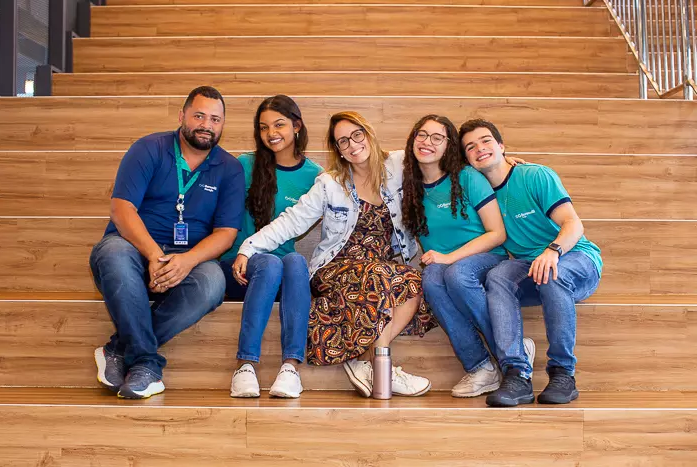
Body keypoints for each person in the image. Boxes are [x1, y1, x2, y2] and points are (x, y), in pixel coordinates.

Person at [234, 111, 436, 398]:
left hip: (381, 266)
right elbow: (291, 221)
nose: (353, 145)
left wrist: (494, 165)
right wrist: (249, 247)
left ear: (369, 134)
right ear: (338, 150)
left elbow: (436, 160)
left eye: (357, 135)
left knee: (413, 281)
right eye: (343, 141)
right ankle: (381, 368)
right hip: (336, 267)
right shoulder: (330, 183)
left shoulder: (398, 165)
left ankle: (368, 362)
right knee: (381, 277)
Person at [90, 86, 245, 399]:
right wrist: (153, 255)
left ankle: (119, 349)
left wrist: (186, 261)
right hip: (134, 251)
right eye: (199, 115)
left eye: (215, 119)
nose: (206, 124)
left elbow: (226, 233)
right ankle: (147, 364)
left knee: (213, 281)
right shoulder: (148, 148)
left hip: (187, 262)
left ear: (222, 125)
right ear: (181, 116)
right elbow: (121, 209)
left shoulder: (230, 168)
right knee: (113, 252)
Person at [460, 119, 602, 407]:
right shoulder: (479, 192)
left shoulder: (535, 175)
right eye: (470, 147)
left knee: (553, 273)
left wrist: (553, 251)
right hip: (529, 265)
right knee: (498, 276)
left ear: (501, 146)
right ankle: (517, 375)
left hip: (575, 258)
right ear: (466, 159)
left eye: (486, 141)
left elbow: (573, 224)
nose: (480, 149)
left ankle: (563, 373)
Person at [402, 114, 535, 398]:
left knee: (457, 273)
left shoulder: (467, 177)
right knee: (431, 279)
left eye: (437, 138)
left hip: (488, 257)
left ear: (448, 146)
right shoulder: (410, 185)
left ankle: (512, 348)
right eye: (422, 135)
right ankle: (480, 366)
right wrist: (445, 260)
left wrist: (450, 257)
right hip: (444, 264)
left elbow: (497, 233)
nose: (427, 142)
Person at [221, 95, 322, 398]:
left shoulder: (314, 176)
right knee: (269, 262)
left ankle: (290, 368)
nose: (271, 133)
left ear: (296, 126)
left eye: (279, 125)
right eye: (263, 127)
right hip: (237, 269)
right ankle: (245, 365)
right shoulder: (244, 165)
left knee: (295, 262)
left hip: (281, 276)